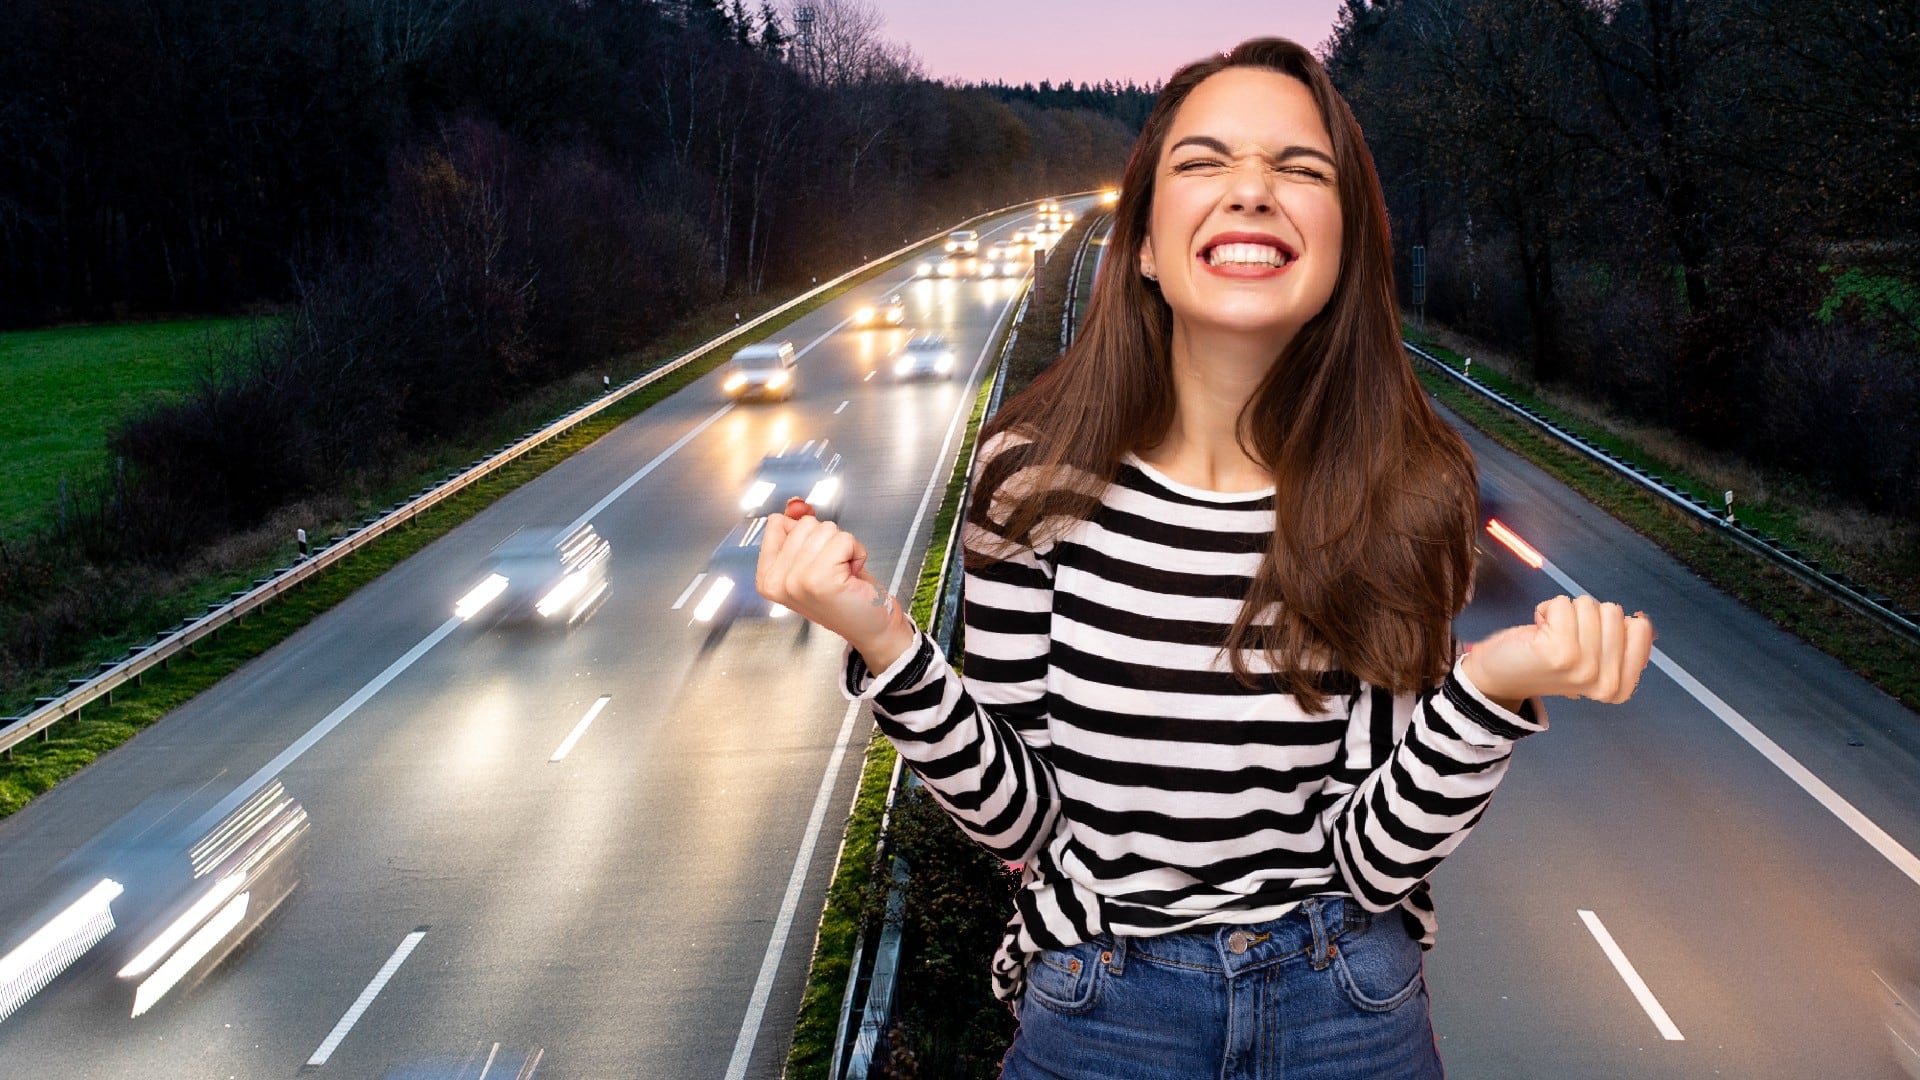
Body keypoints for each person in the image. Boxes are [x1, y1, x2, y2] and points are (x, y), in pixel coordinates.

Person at [757, 36, 1655, 1080]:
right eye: (1206, 162)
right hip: (1101, 1003)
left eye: (1299, 169)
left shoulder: (1406, 490)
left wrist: (1494, 688)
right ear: (1140, 244)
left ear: (1343, 251)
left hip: (1348, 1005)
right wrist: (881, 640)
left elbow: (1376, 858)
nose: (1253, 192)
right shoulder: (1029, 481)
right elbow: (1026, 816)